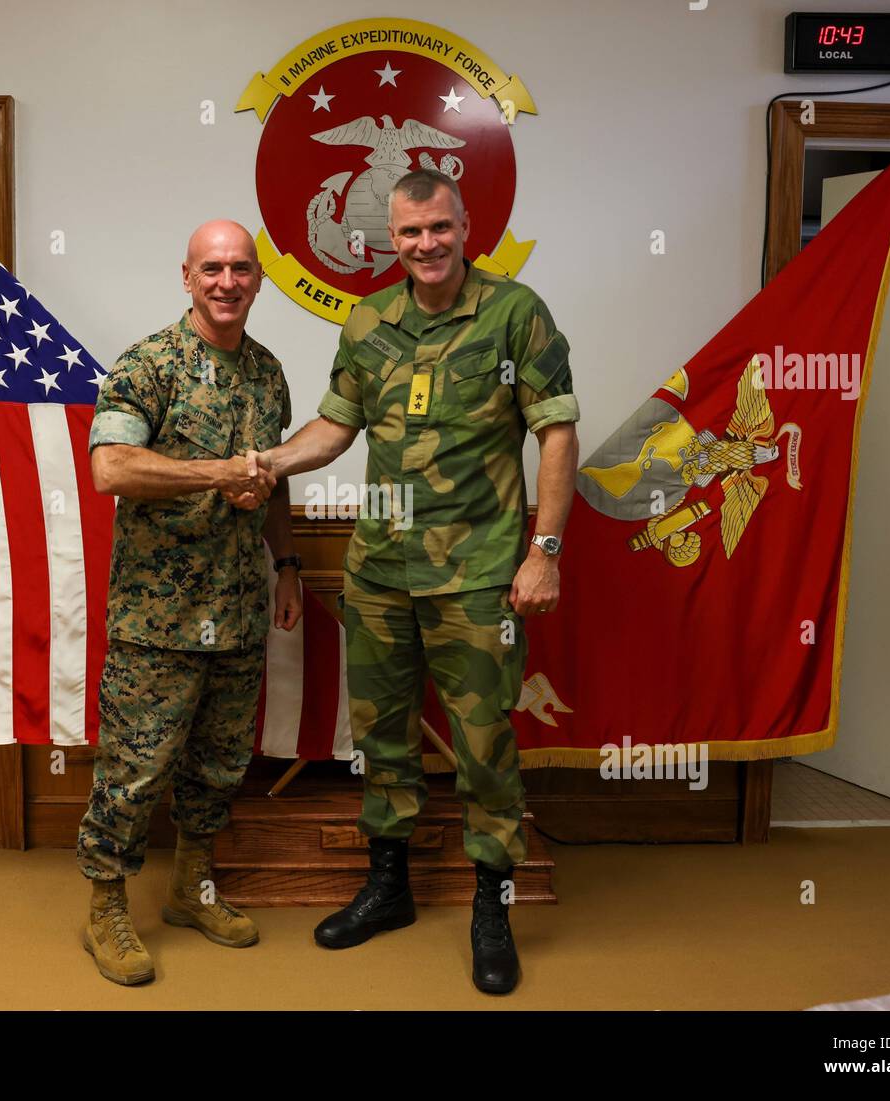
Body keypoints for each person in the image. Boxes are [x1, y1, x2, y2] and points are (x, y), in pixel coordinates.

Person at [243, 169, 579, 995]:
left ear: (466, 225)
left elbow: (559, 433)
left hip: (479, 576)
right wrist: (267, 462)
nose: (425, 244)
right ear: (388, 239)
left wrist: (545, 550)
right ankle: (388, 887)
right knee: (381, 739)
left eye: (438, 227)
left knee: (484, 745)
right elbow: (334, 425)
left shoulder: (515, 313)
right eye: (409, 232)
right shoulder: (369, 321)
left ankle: (490, 908)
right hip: (381, 571)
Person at [76, 220, 301, 985]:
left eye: (241, 268)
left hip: (238, 611)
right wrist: (214, 474)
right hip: (158, 619)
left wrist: (292, 562)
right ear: (187, 276)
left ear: (258, 279)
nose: (226, 281)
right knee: (136, 769)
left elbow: (271, 476)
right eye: (212, 268)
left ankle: (190, 886)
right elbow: (111, 467)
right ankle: (106, 903)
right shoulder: (149, 364)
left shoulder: (268, 373)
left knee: (217, 766)